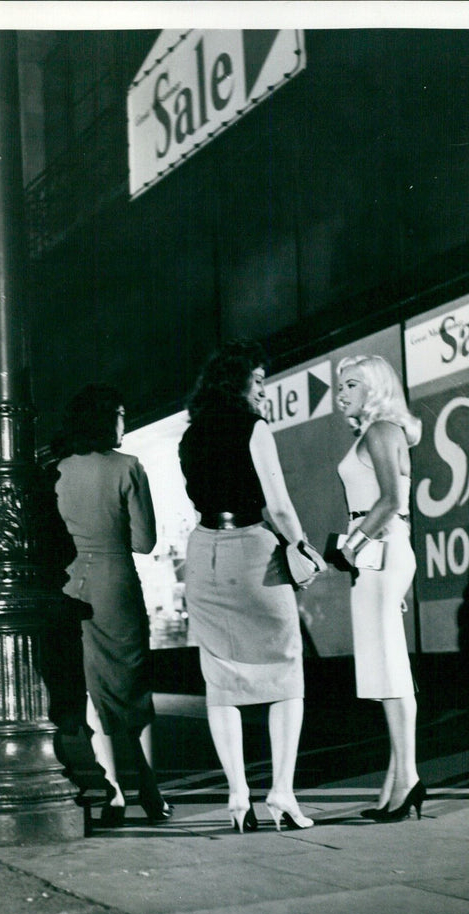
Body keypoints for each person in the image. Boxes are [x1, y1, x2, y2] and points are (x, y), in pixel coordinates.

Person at [179, 339, 325, 833]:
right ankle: (281, 792)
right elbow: (278, 506)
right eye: (259, 381)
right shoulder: (254, 427)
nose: (264, 391)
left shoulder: (191, 435)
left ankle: (237, 795)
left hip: (202, 553)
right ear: (240, 383)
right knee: (285, 670)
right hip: (251, 551)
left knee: (220, 677)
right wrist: (302, 547)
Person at [52, 383, 172, 827]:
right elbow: (145, 541)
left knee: (93, 692)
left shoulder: (59, 471)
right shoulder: (129, 467)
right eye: (120, 413)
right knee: (135, 687)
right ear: (106, 419)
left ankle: (114, 793)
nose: (125, 422)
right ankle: (151, 789)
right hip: (117, 584)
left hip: (73, 589)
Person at [335, 355, 426, 822]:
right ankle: (395, 783)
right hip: (384, 554)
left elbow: (392, 501)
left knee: (390, 669)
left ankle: (407, 779)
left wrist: (352, 546)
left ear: (374, 387)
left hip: (379, 550)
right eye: (340, 385)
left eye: (351, 384)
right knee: (387, 668)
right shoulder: (379, 432)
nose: (341, 393)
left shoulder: (380, 430)